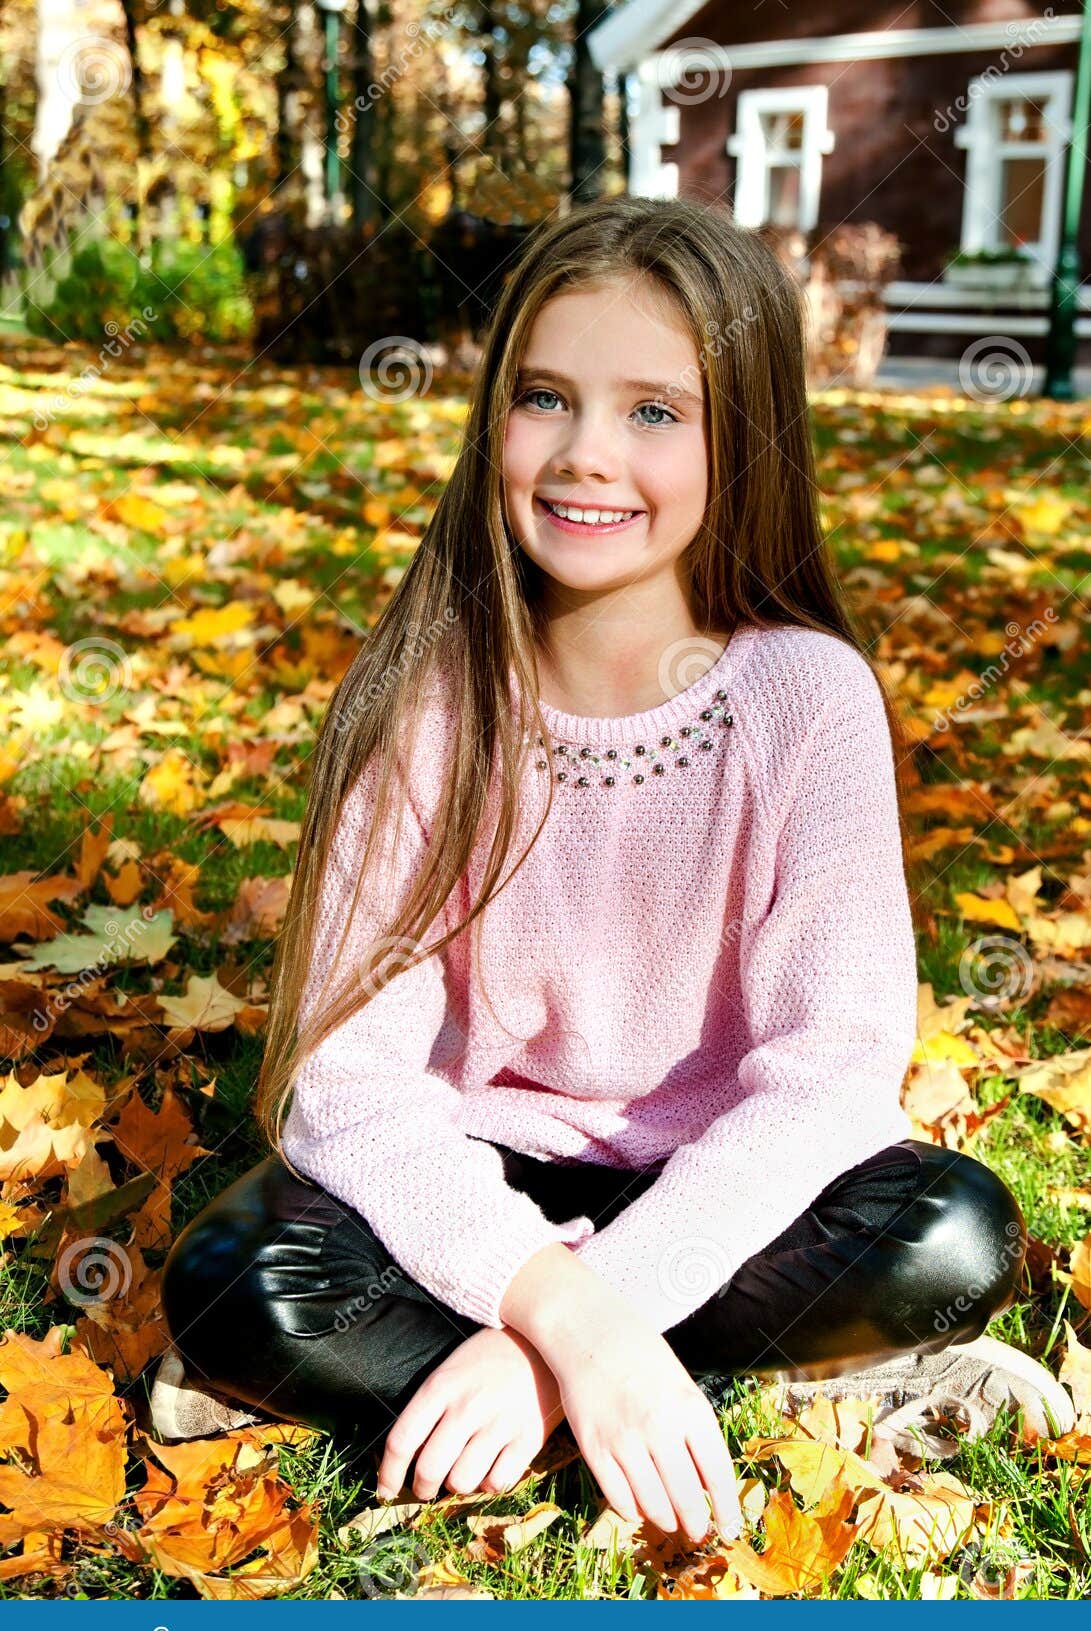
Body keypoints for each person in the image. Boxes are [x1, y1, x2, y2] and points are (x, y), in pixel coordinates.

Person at [153, 196, 1074, 1545]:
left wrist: (573, 1324)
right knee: (242, 1279)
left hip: (732, 1184)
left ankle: (502, 1387)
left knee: (949, 1233)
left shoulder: (805, 697)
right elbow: (347, 1078)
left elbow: (830, 1073)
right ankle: (709, 1384)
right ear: (493, 421)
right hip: (479, 1178)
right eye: (544, 397)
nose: (588, 454)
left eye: (656, 411)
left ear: (744, 436)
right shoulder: (431, 701)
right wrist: (565, 1303)